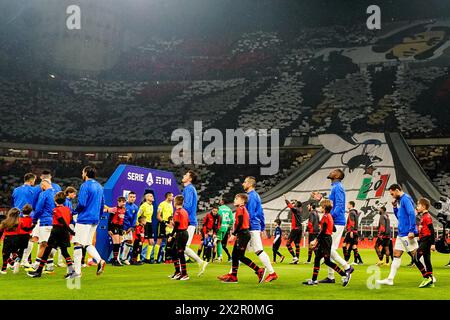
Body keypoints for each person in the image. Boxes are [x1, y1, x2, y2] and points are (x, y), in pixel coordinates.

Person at [218, 193, 266, 284]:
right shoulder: (243, 209)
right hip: (243, 234)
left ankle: (259, 270)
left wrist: (233, 234)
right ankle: (233, 276)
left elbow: (240, 223)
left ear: (242, 201)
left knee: (240, 256)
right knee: (235, 255)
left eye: (236, 198)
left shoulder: (240, 209)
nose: (234, 200)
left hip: (243, 234)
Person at [303, 199, 352, 287]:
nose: (319, 208)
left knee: (327, 261)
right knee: (317, 259)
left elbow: (323, 231)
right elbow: (334, 229)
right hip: (326, 240)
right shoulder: (329, 216)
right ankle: (314, 280)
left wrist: (315, 240)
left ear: (324, 207)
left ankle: (345, 275)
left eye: (321, 206)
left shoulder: (326, 217)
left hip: (325, 240)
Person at [377, 184, 419, 286]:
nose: (392, 196)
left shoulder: (406, 199)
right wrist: (395, 207)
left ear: (397, 190)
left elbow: (412, 214)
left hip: (407, 233)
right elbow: (400, 217)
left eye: (392, 193)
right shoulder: (401, 201)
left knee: (417, 255)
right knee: (396, 255)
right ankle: (390, 279)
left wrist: (412, 230)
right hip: (401, 233)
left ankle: (429, 276)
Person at [316, 169, 354, 284]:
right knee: (329, 249)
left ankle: (347, 267)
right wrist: (321, 200)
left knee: (328, 249)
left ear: (337, 175)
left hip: (336, 222)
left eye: (333, 171)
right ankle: (331, 277)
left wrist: (329, 217)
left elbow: (339, 205)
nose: (331, 172)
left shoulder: (338, 187)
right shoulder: (335, 187)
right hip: (336, 221)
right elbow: (332, 204)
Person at [28, 191, 76, 278]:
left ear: (55, 201)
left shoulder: (55, 210)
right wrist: (71, 231)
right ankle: (72, 272)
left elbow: (61, 221)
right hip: (65, 232)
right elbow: (70, 220)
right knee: (65, 252)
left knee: (47, 251)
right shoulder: (68, 209)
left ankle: (39, 271)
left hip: (56, 231)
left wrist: (71, 231)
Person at [71, 166, 106, 278]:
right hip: (95, 219)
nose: (82, 174)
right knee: (87, 243)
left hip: (85, 218)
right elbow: (102, 204)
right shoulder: (100, 186)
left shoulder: (85, 185)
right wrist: (98, 217)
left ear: (85, 173)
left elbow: (82, 203)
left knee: (77, 243)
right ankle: (100, 260)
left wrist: (74, 212)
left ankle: (77, 272)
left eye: (82, 172)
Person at [242, 176, 277, 282]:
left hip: (251, 227)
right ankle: (232, 274)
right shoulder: (256, 196)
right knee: (239, 252)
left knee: (258, 251)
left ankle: (271, 273)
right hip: (254, 227)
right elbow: (261, 213)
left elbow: (251, 214)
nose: (243, 184)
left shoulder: (251, 196)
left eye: (244, 182)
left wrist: (245, 227)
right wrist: (262, 227)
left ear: (250, 184)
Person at [181, 170, 208, 275]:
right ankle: (199, 262)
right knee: (181, 247)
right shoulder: (189, 189)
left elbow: (187, 206)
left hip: (188, 222)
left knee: (182, 247)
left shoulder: (189, 189)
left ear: (190, 179)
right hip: (188, 221)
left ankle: (199, 263)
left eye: (186, 175)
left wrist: (179, 209)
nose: (184, 175)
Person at [28, 179, 57, 273]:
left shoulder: (44, 194)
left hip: (45, 221)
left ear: (43, 185)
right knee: (50, 244)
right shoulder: (57, 193)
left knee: (43, 244)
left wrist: (35, 220)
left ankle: (36, 265)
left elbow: (39, 208)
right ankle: (50, 265)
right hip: (55, 221)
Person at [415, 198, 436, 288]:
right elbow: (423, 230)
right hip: (423, 240)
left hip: (426, 241)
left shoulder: (427, 217)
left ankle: (426, 277)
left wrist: (433, 244)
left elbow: (432, 231)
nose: (417, 207)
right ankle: (430, 281)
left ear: (423, 206)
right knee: (427, 260)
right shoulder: (423, 216)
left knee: (415, 258)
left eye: (418, 205)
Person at [169, 195, 190, 281]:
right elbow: (187, 223)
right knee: (174, 251)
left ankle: (184, 274)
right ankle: (178, 272)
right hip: (184, 232)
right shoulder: (184, 211)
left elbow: (177, 224)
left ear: (176, 202)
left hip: (180, 233)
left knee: (180, 254)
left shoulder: (177, 211)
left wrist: (171, 234)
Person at [104, 196, 126, 266]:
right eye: (121, 202)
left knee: (119, 244)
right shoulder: (114, 209)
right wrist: (109, 229)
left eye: (123, 202)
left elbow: (122, 221)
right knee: (116, 243)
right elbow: (109, 219)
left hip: (120, 227)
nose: (123, 203)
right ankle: (115, 260)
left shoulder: (124, 210)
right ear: (118, 202)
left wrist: (122, 229)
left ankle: (115, 259)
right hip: (114, 226)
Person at [13, 204, 34, 273]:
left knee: (14, 250)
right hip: (25, 237)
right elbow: (29, 229)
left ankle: (11, 262)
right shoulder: (31, 219)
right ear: (30, 212)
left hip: (17, 236)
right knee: (21, 251)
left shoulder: (19, 219)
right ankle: (19, 262)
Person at [155, 192, 174, 263]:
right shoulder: (162, 204)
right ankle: (155, 259)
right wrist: (165, 223)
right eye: (172, 196)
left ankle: (166, 258)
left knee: (169, 242)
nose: (173, 197)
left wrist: (172, 223)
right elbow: (158, 216)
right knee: (159, 241)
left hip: (169, 225)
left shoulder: (171, 205)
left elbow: (171, 216)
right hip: (163, 224)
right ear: (168, 196)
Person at [1, 208, 21, 274]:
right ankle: (16, 262)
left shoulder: (5, 222)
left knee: (5, 254)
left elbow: (0, 230)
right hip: (17, 239)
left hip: (8, 239)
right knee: (14, 252)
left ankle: (4, 269)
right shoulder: (19, 222)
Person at [120, 191, 138, 265]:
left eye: (134, 197)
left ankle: (124, 258)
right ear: (128, 197)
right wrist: (124, 228)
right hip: (122, 227)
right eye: (131, 197)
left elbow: (134, 218)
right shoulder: (124, 206)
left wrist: (131, 227)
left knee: (129, 242)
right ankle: (116, 259)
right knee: (119, 243)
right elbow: (121, 217)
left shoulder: (135, 207)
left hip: (129, 228)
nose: (132, 198)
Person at [284, 195, 302, 264]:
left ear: (297, 205)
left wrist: (286, 200)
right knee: (297, 244)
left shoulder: (296, 210)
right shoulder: (299, 210)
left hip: (295, 229)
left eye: (296, 203)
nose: (295, 203)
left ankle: (294, 257)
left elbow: (291, 207)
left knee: (288, 244)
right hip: (299, 228)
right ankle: (297, 259)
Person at [138, 190, 155, 263]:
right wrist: (138, 224)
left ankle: (147, 259)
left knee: (151, 241)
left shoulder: (152, 206)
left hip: (150, 224)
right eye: (151, 196)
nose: (152, 197)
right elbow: (138, 215)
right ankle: (137, 259)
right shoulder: (143, 205)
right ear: (147, 198)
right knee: (140, 241)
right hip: (144, 224)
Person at [216, 198, 234, 262]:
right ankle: (230, 257)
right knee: (223, 245)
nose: (220, 201)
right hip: (226, 228)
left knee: (218, 242)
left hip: (219, 228)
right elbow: (232, 220)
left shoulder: (219, 208)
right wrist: (229, 226)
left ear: (223, 202)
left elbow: (216, 218)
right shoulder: (229, 209)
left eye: (220, 200)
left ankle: (219, 257)